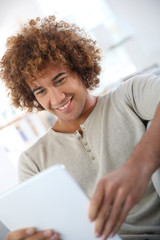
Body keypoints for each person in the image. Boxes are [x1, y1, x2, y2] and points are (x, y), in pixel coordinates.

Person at [0, 15, 160, 240]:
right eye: (41, 91)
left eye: (60, 79)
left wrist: (138, 167)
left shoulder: (129, 96)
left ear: (79, 68)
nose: (57, 98)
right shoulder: (33, 162)